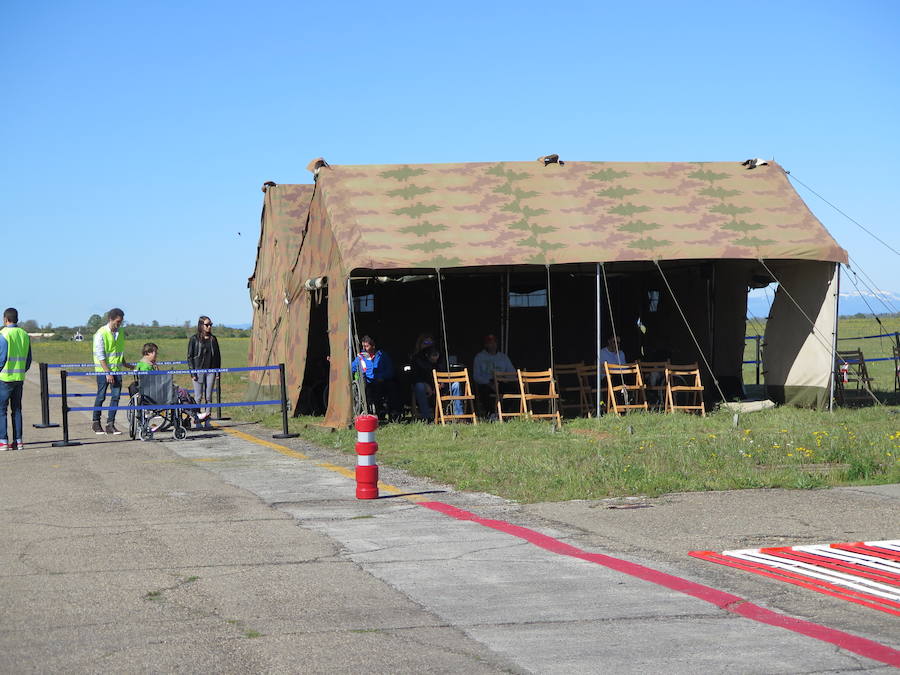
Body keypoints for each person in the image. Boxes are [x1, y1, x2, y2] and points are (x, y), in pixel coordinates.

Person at [92, 308, 132, 435]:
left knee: (115, 397)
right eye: (118, 321)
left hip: (117, 370)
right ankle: (96, 422)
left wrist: (125, 364)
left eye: (121, 322)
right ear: (111, 319)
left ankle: (110, 424)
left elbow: (119, 351)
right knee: (101, 396)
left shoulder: (120, 332)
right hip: (103, 371)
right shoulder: (101, 333)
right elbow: (101, 355)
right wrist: (107, 372)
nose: (119, 324)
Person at [0, 308, 32, 451]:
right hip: (19, 378)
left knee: (2, 411)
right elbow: (29, 359)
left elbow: (2, 358)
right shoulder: (24, 334)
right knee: (17, 409)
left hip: (4, 378)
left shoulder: (3, 334)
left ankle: (3, 441)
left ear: (5, 319)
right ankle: (18, 441)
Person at [351, 335, 401, 419]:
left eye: (366, 346)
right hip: (368, 383)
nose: (364, 348)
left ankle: (394, 412)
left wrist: (381, 377)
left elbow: (390, 371)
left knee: (392, 386)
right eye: (363, 346)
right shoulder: (360, 358)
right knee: (370, 388)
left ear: (373, 346)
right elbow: (351, 368)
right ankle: (377, 411)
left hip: (383, 381)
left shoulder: (382, 356)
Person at [187, 316, 221, 429]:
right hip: (198, 370)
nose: (209, 327)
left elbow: (217, 356)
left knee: (209, 396)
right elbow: (190, 357)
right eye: (207, 325)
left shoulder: (213, 339)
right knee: (198, 396)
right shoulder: (194, 339)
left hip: (211, 370)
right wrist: (192, 372)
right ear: (201, 325)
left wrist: (217, 372)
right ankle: (197, 420)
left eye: (211, 324)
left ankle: (207, 418)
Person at [472, 334, 515, 417]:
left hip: (502, 382)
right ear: (485, 345)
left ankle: (504, 413)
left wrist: (506, 379)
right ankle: (491, 413)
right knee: (484, 391)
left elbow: (512, 373)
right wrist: (489, 383)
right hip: (487, 383)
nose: (492, 345)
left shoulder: (503, 357)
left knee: (513, 390)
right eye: (490, 343)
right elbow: (476, 376)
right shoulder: (479, 357)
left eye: (494, 342)